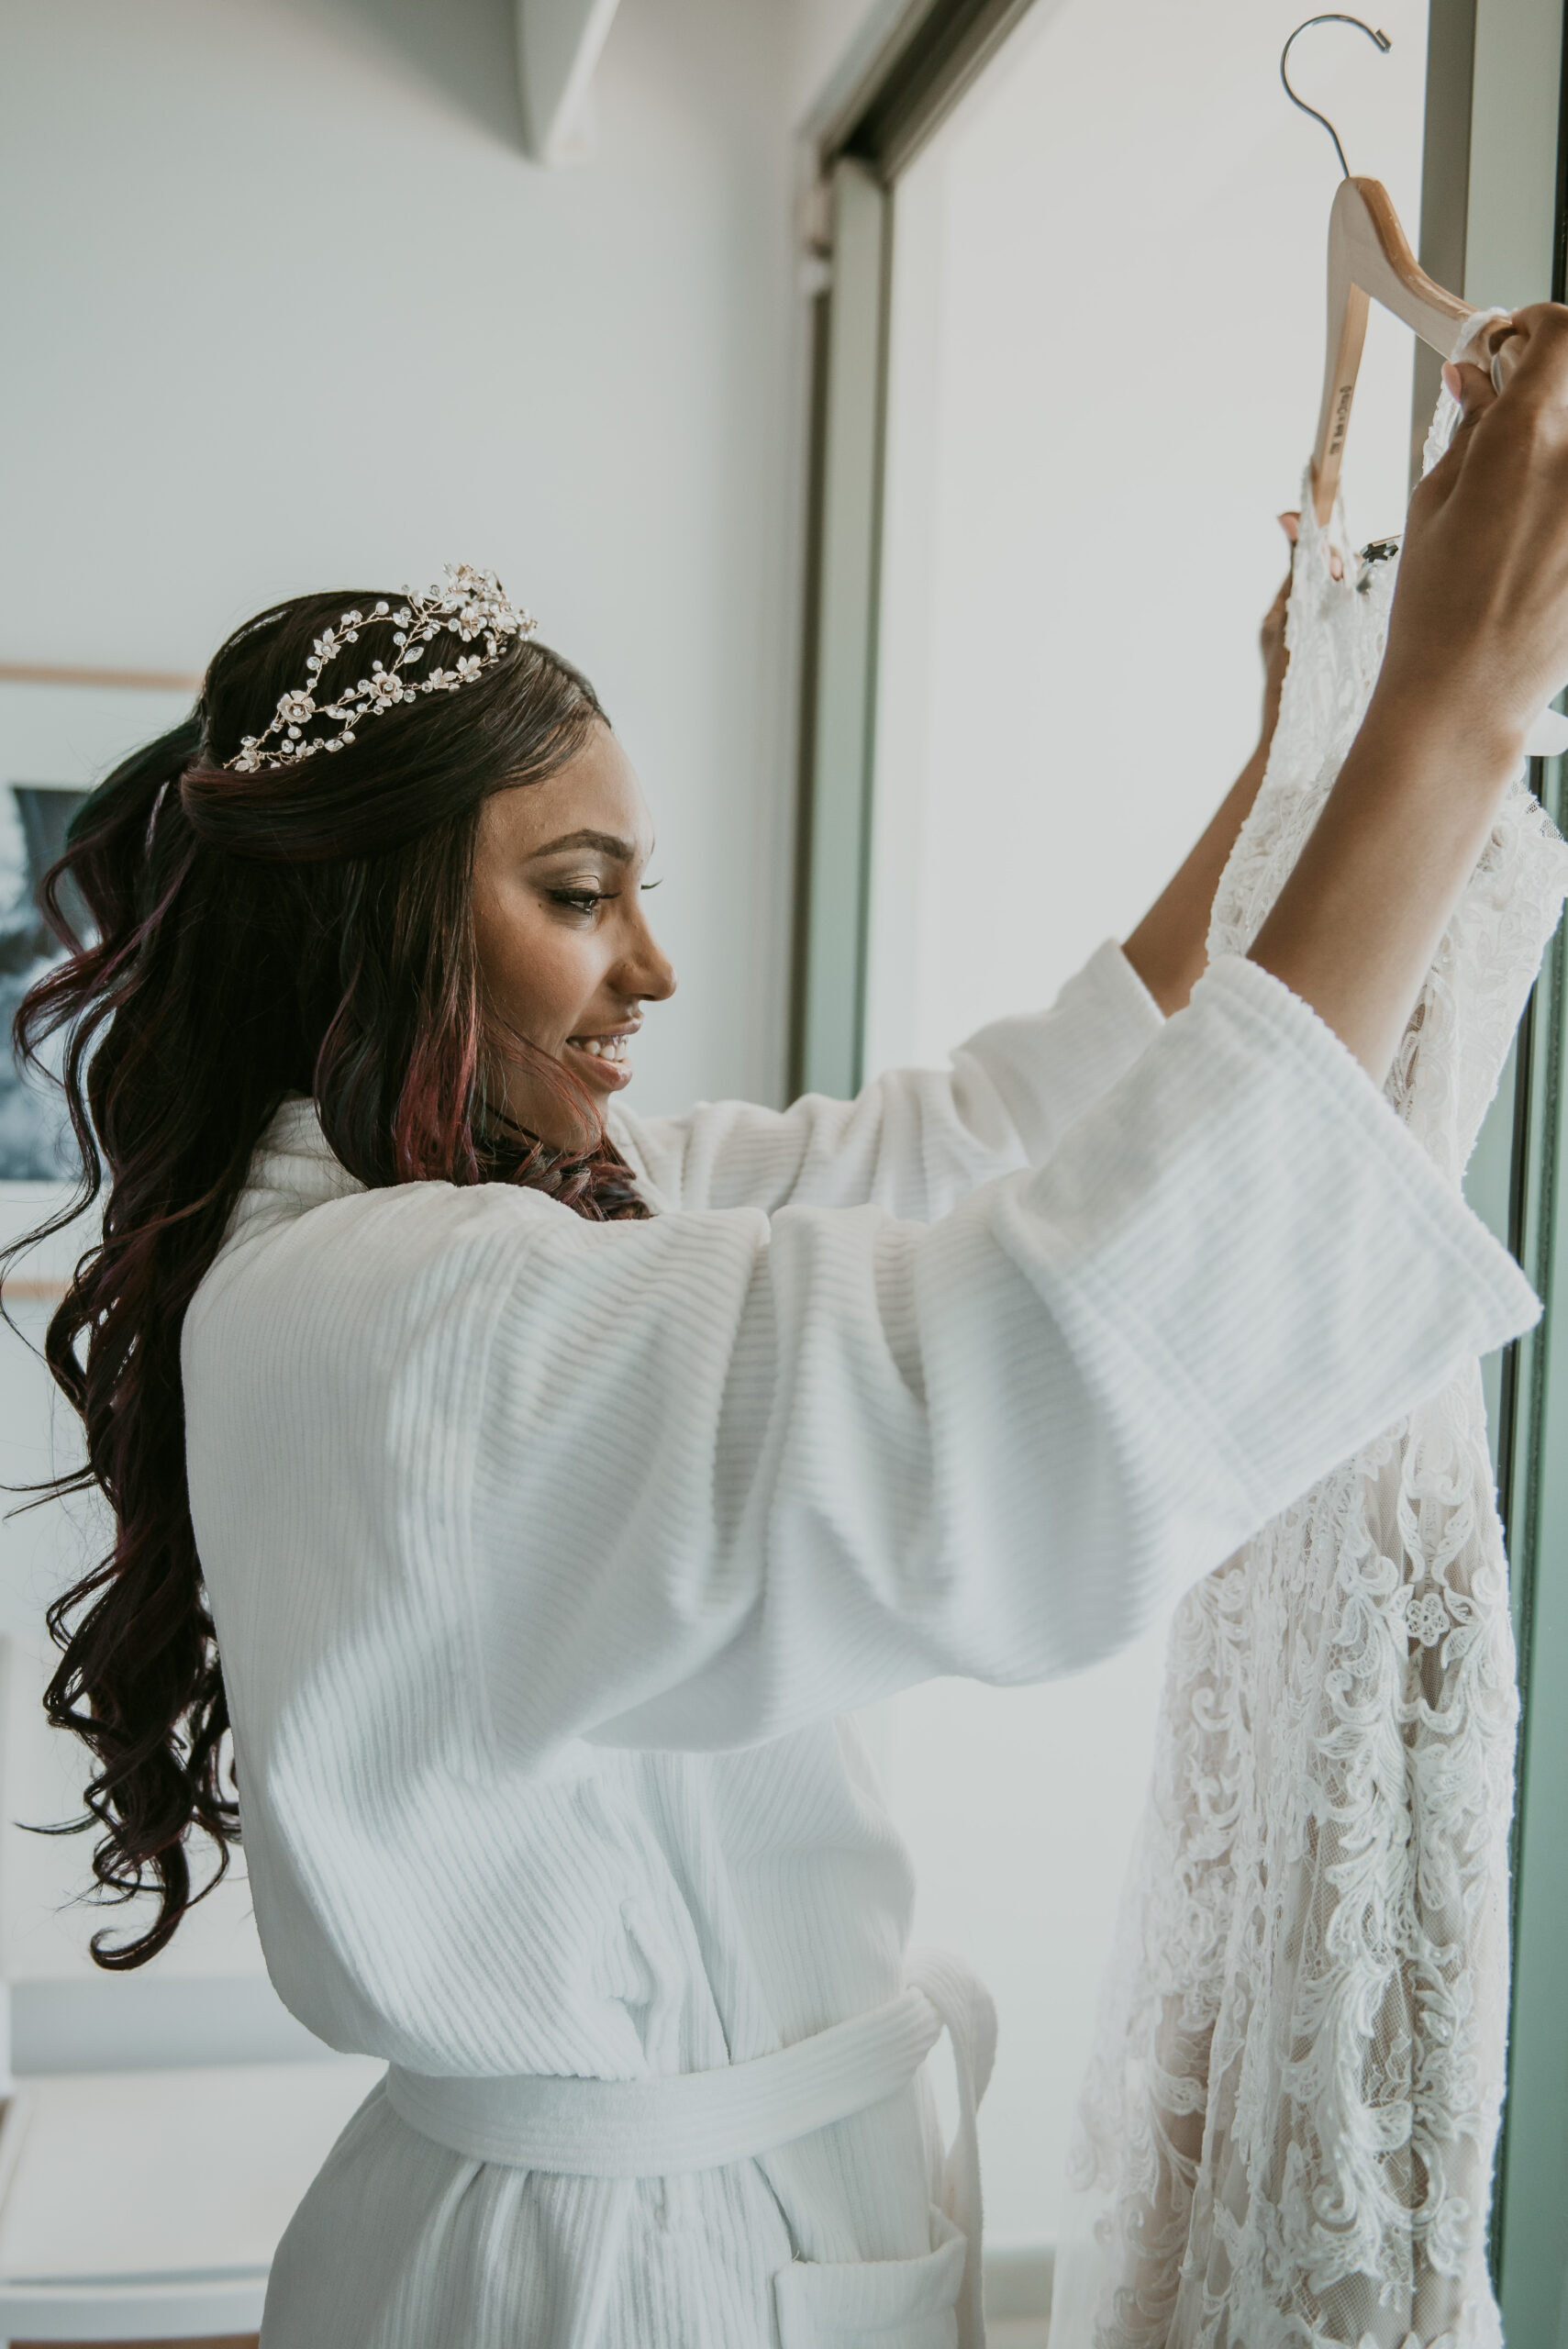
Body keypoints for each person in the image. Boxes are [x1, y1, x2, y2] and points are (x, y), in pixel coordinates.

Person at [10, 318, 1564, 2349]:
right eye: (580, 895)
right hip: (616, 2278)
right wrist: (1449, 718)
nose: (653, 962)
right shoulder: (427, 1315)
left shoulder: (478, 1219)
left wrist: (1298, 771)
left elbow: (971, 1141)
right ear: (374, 913)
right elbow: (1016, 1388)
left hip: (694, 2212)